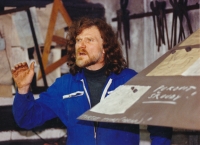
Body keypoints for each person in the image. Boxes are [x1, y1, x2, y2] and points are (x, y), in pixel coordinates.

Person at [12, 17, 172, 145]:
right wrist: (23, 89)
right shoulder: (64, 86)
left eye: (89, 40)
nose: (81, 45)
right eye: (78, 40)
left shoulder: (129, 81)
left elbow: (159, 120)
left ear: (105, 48)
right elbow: (27, 119)